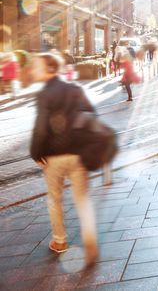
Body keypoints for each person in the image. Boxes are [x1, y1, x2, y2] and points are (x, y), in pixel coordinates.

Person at [29, 53, 98, 266]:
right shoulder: (74, 88)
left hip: (54, 156)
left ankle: (59, 242)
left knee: (55, 199)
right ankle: (90, 241)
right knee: (82, 198)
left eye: (36, 66)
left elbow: (41, 128)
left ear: (50, 68)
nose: (32, 70)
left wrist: (35, 153)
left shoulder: (46, 93)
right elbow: (91, 113)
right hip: (78, 154)